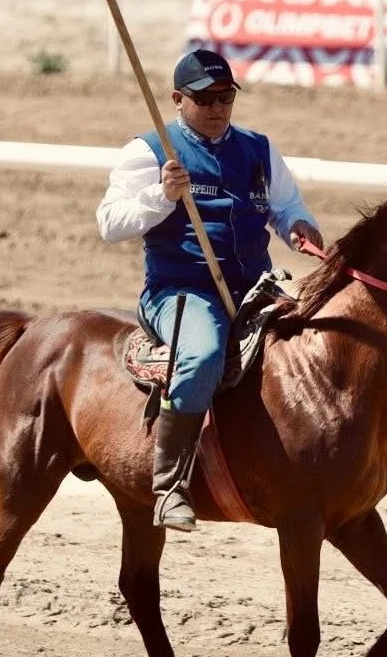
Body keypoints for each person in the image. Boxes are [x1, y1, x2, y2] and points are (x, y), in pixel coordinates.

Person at [96, 48, 323, 532]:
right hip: (181, 291)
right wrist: (162, 195)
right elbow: (110, 224)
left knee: (317, 336)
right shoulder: (150, 151)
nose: (217, 107)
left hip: (255, 287)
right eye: (204, 99)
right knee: (202, 355)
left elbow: (286, 206)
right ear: (177, 99)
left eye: (225, 97)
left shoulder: (258, 148)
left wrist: (298, 226)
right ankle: (169, 486)